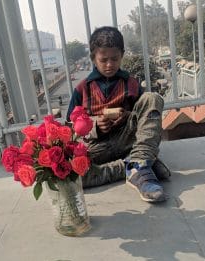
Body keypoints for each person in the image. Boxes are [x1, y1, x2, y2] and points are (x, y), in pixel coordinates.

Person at [66, 26, 170, 203]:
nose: (109, 64)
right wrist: (94, 126)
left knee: (152, 98)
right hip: (97, 147)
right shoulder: (82, 89)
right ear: (93, 58)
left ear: (122, 55)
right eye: (103, 59)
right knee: (70, 176)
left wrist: (128, 116)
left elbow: (144, 116)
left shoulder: (131, 83)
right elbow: (69, 126)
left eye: (114, 59)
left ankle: (140, 163)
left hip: (127, 140)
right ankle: (138, 164)